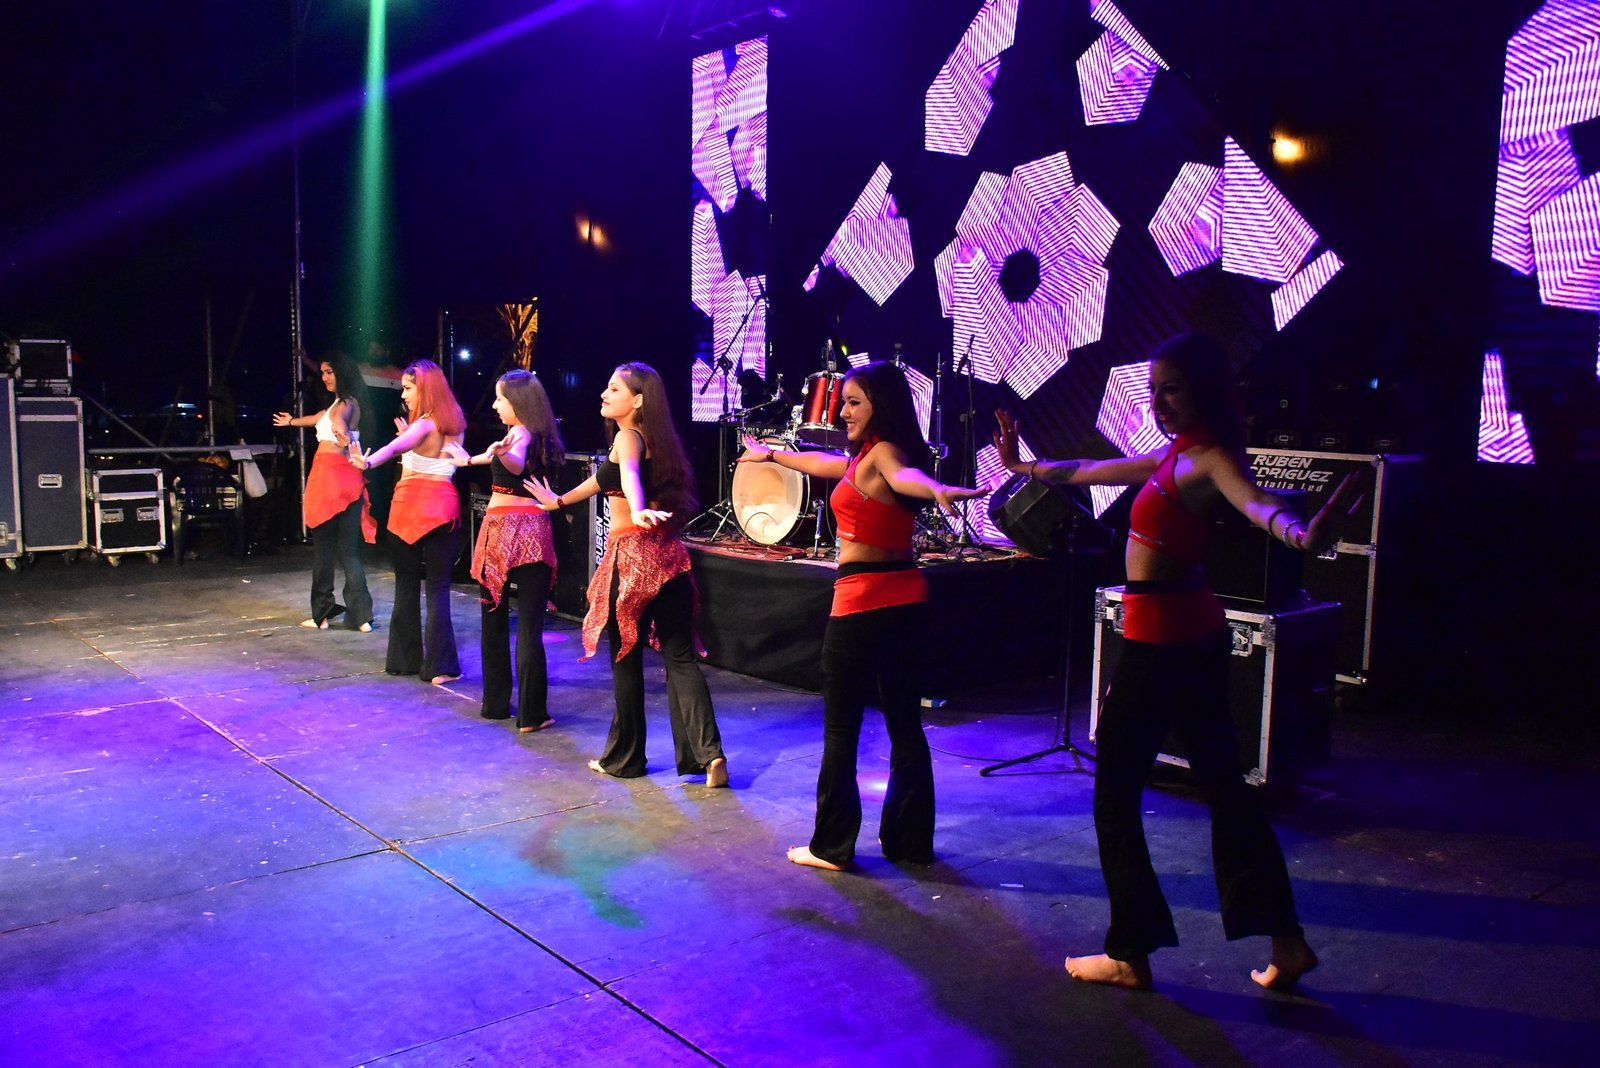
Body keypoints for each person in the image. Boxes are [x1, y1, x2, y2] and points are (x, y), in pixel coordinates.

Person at [993, 333, 1363, 992]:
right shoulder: (1177, 455)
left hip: (1163, 643)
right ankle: (1287, 941)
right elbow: (1089, 470)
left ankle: (1130, 952)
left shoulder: (1211, 459)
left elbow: (1258, 505)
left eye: (1173, 388)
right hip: (1189, 634)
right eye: (1154, 388)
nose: (1159, 401)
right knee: (1226, 791)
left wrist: (1303, 535)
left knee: (1115, 795)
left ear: (1204, 392)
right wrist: (1022, 465)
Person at [737, 360, 987, 870]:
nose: (842, 411)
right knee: (904, 724)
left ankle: (831, 846)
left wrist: (935, 489)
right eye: (843, 401)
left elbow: (905, 476)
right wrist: (772, 454)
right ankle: (910, 843)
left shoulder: (884, 455)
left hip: (861, 603)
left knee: (842, 729)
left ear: (881, 406)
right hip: (904, 600)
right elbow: (822, 462)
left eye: (854, 402)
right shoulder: (863, 458)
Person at [522, 362, 728, 786]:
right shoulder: (658, 441)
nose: (604, 393)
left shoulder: (627, 437)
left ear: (637, 400)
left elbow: (629, 476)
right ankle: (708, 756)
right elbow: (601, 483)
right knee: (680, 658)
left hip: (632, 558)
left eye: (614, 388)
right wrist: (556, 501)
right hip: (668, 559)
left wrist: (635, 509)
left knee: (625, 659)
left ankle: (626, 758)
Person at [442, 370, 563, 732]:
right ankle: (531, 715)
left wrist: (503, 454)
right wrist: (469, 460)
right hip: (533, 531)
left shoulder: (520, 435)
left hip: (501, 531)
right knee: (529, 626)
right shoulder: (535, 434)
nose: (495, 405)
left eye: (500, 398)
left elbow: (514, 461)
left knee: (494, 620)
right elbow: (495, 457)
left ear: (519, 401)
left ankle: (495, 704)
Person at [351, 359, 466, 686]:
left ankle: (404, 660)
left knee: (406, 585)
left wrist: (367, 461)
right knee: (438, 588)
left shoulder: (425, 424)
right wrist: (409, 439)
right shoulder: (455, 420)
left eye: (408, 388)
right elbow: (423, 452)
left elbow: (394, 448)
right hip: (443, 508)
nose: (403, 395)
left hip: (411, 510)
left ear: (424, 389)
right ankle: (441, 666)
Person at [273, 353, 375, 631]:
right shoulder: (340, 404)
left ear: (342, 372)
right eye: (323, 373)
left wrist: (343, 437)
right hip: (347, 481)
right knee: (347, 551)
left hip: (330, 479)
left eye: (330, 372)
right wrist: (292, 421)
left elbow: (337, 422)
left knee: (325, 550)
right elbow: (318, 419)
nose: (325, 377)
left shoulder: (344, 404)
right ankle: (361, 617)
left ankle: (322, 613)